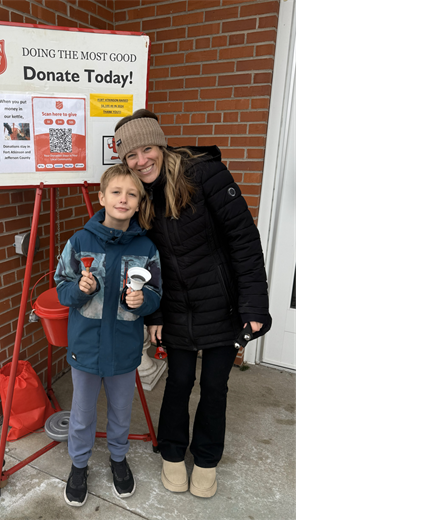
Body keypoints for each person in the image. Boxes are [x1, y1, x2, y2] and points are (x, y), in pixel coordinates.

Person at [113, 109, 272, 498]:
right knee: (179, 382)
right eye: (131, 155)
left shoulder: (206, 175)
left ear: (161, 145)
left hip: (223, 304)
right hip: (176, 308)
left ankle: (205, 460)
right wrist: (155, 313)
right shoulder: (137, 194)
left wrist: (254, 306)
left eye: (147, 148)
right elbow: (142, 264)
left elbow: (244, 241)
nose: (141, 160)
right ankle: (171, 453)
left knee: (215, 385)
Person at [54, 165, 162, 507]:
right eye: (116, 192)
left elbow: (157, 292)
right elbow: (61, 286)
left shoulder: (146, 247)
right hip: (85, 349)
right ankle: (79, 464)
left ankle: (118, 458)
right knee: (83, 413)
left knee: (120, 411)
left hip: (124, 350)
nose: (124, 199)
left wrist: (143, 300)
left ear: (139, 202)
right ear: (102, 198)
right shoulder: (80, 241)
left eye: (132, 194)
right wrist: (79, 290)